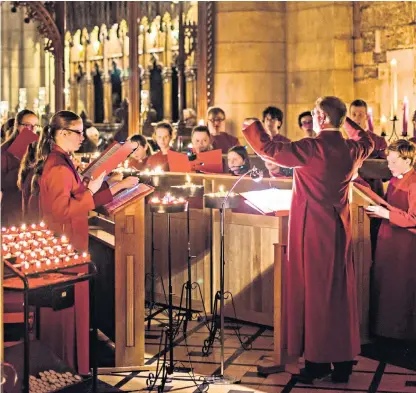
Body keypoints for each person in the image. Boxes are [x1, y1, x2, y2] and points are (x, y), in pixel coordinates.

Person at [242, 96, 374, 384]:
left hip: (313, 231)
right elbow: (369, 140)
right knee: (339, 295)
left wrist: (251, 126)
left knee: (316, 296)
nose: (314, 119)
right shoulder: (353, 148)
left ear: (321, 118)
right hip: (340, 230)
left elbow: (270, 149)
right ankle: (343, 363)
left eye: (316, 114)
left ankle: (316, 363)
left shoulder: (312, 147)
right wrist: (344, 123)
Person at [37, 110, 139, 374]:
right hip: (65, 244)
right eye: (78, 132)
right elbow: (62, 211)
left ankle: (77, 361)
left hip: (72, 240)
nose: (83, 137)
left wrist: (106, 186)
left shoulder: (64, 160)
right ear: (62, 134)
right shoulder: (58, 166)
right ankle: (69, 365)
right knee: (68, 312)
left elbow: (78, 194)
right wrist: (103, 189)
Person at [366, 140, 416, 341]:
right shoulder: (395, 180)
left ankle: (400, 335)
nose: (389, 166)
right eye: (388, 161)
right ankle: (384, 331)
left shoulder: (414, 182)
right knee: (384, 286)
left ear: (408, 159)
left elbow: (413, 218)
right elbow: (389, 207)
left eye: (394, 161)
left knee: (400, 289)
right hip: (388, 240)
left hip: (404, 245)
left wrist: (384, 213)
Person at [1, 109, 39, 226]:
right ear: (18, 126)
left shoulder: (37, 149)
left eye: (35, 126)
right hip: (13, 209)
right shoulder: (4, 151)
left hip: (32, 209)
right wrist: (22, 169)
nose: (32, 130)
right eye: (27, 125)